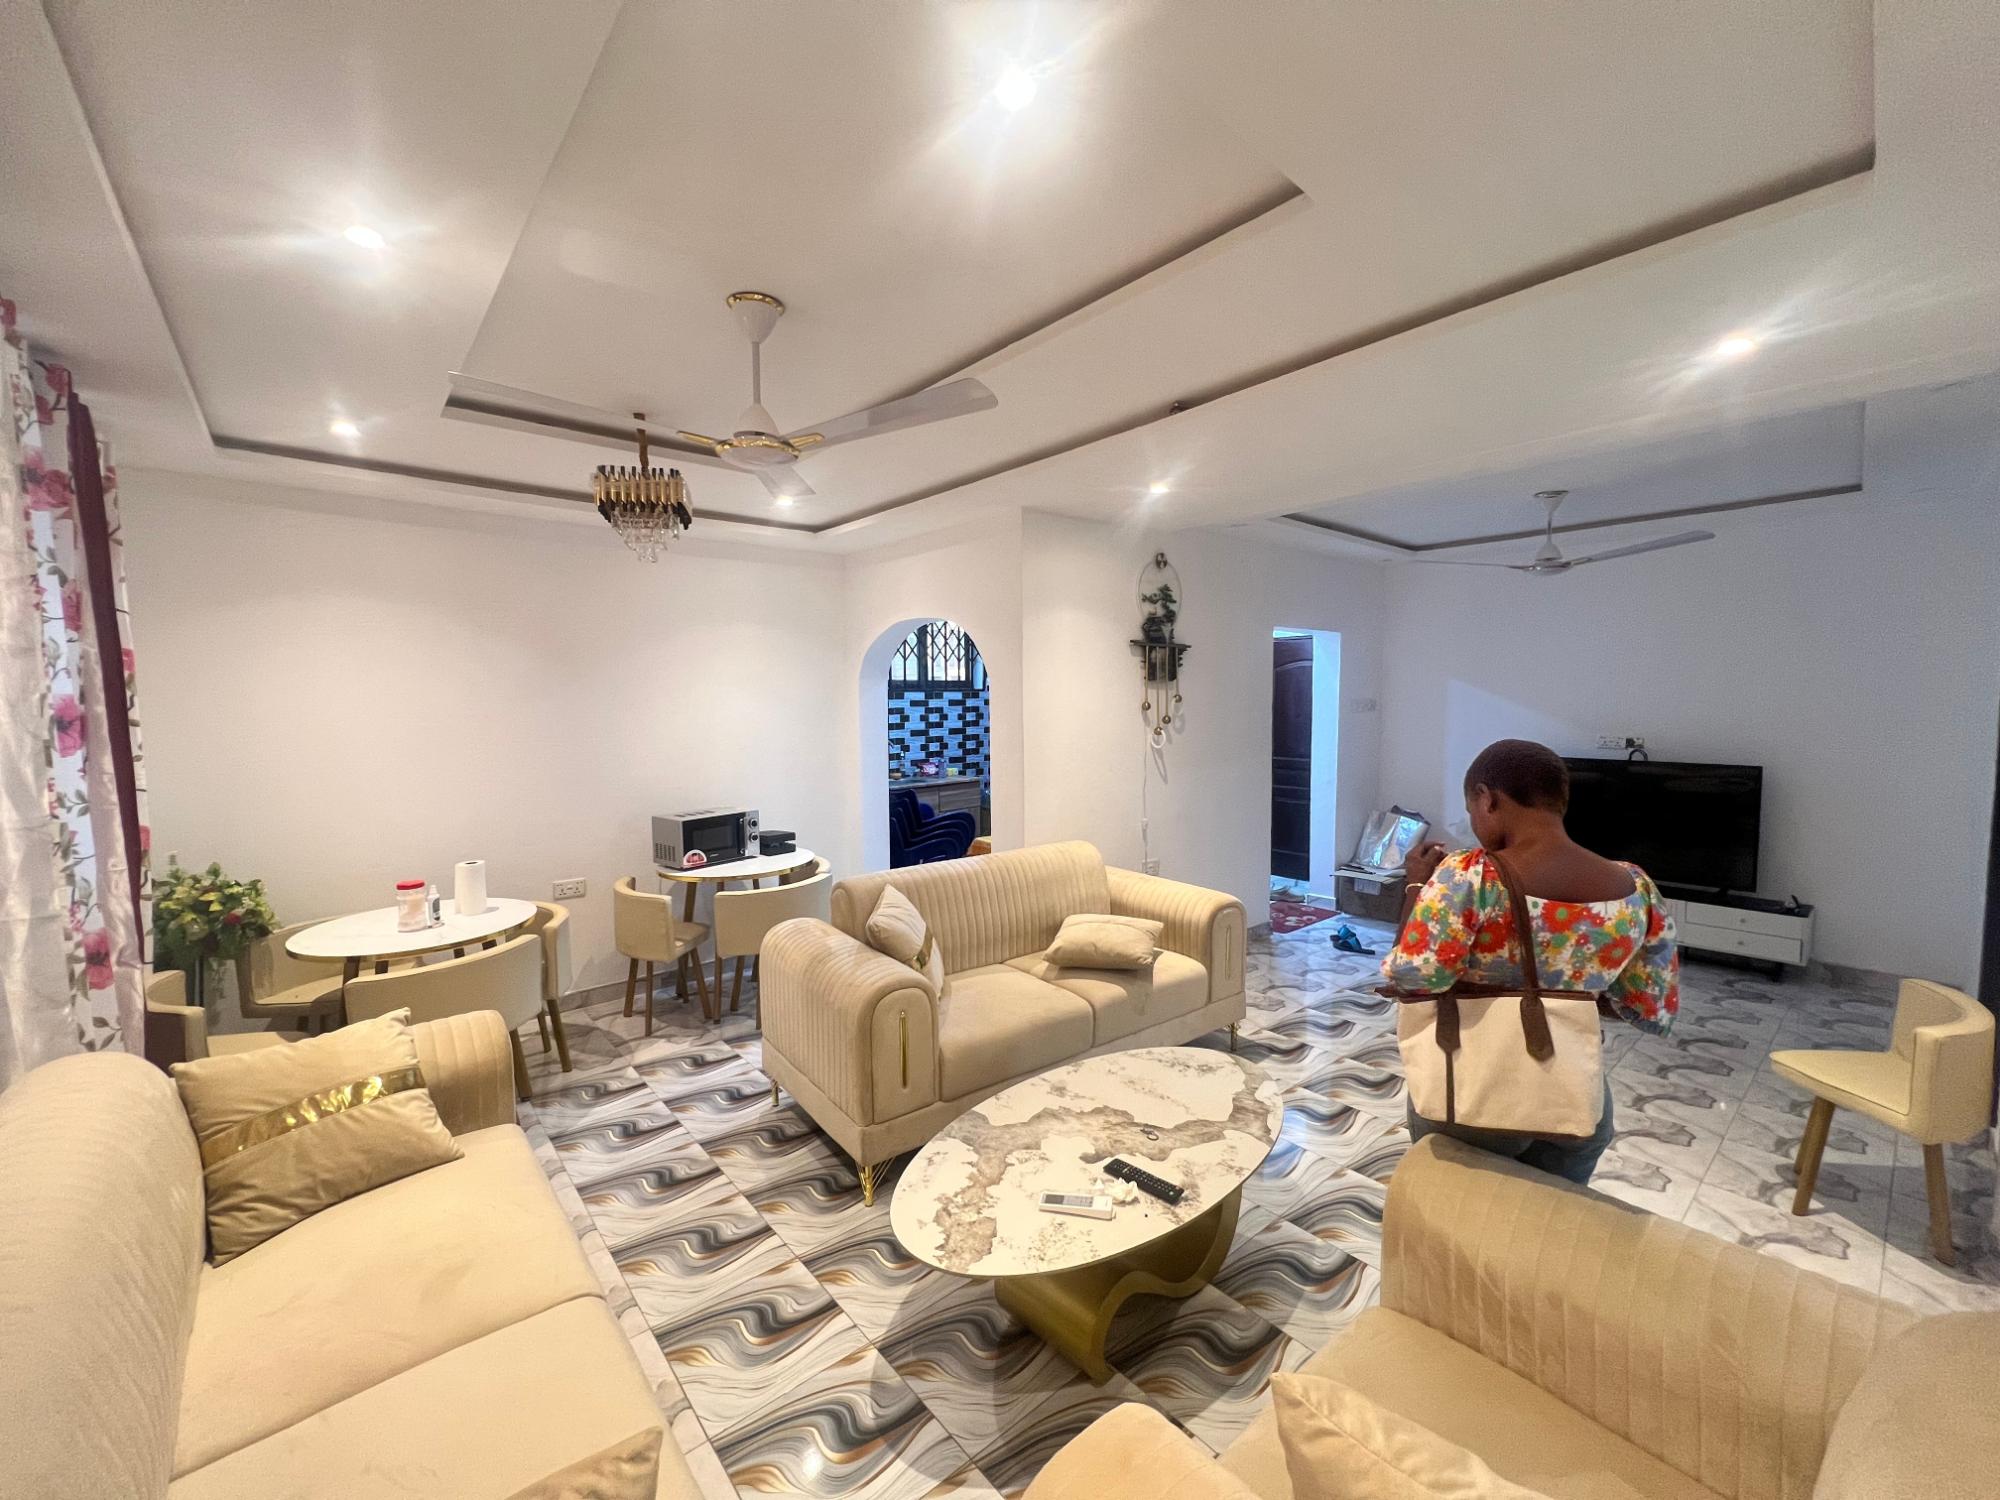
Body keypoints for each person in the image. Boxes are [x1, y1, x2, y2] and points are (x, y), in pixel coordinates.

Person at [1381, 738, 1678, 1184]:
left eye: (1472, 810)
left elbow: (1412, 977)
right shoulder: (1636, 887)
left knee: (1455, 1212)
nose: (1474, 823)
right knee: (1544, 1219)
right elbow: (1648, 1007)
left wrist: (1416, 886)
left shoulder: (1469, 875)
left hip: (1473, 1094)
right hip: (1575, 1101)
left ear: (1487, 798)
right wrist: (1570, 986)